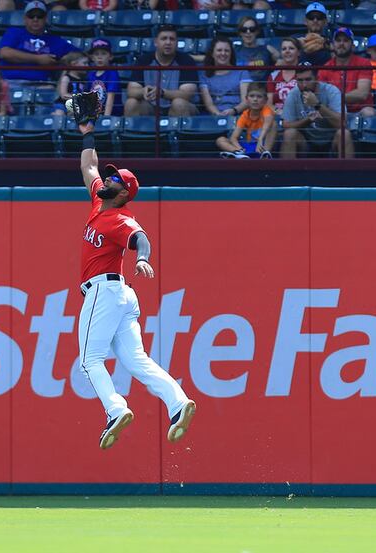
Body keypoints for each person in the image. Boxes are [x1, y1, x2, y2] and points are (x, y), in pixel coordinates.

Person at [74, 117, 197, 450]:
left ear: (125, 192)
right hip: (118, 296)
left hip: (104, 291)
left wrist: (143, 257)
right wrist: (87, 133)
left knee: (89, 360)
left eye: (114, 178)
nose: (107, 178)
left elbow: (139, 236)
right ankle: (178, 402)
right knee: (136, 360)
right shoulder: (100, 202)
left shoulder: (119, 217)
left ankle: (115, 410)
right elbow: (89, 166)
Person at [281, 62, 353, 159]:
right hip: (306, 143)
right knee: (289, 134)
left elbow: (342, 123)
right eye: (300, 80)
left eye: (308, 79)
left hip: (331, 142)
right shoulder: (294, 94)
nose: (304, 84)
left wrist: (317, 105)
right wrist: (307, 120)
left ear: (317, 78)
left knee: (345, 134)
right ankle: (287, 174)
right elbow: (286, 124)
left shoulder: (331, 91)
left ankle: (347, 173)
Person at [0, 1, 79, 85]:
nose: (35, 19)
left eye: (40, 16)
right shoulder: (14, 32)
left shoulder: (55, 40)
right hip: (12, 82)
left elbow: (79, 54)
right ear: (25, 18)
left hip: (42, 84)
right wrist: (38, 59)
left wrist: (64, 60)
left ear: (45, 18)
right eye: (31, 16)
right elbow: (5, 53)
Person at [124, 25, 198, 117]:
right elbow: (131, 91)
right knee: (131, 103)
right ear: (156, 42)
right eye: (163, 39)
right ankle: (135, 132)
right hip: (151, 106)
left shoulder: (186, 60)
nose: (168, 42)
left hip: (176, 106)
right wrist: (143, 91)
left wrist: (162, 93)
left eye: (172, 39)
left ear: (177, 43)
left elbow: (187, 94)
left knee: (179, 103)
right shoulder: (144, 60)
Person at [318, 27, 376, 118]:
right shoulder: (325, 68)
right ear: (333, 45)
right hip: (335, 112)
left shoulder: (363, 63)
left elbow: (362, 94)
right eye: (338, 40)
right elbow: (322, 96)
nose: (341, 43)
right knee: (318, 114)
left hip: (359, 111)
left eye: (345, 40)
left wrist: (335, 98)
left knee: (369, 112)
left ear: (352, 45)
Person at [217, 81, 275, 159]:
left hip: (262, 146)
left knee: (273, 124)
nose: (255, 99)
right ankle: (238, 154)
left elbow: (269, 121)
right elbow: (234, 137)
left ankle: (265, 155)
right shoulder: (245, 115)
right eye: (252, 96)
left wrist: (260, 139)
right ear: (246, 99)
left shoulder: (266, 110)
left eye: (259, 96)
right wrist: (239, 149)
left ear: (265, 100)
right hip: (247, 147)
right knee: (220, 140)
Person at [200, 37, 251, 116]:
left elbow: (246, 101)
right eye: (219, 50)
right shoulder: (204, 74)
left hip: (239, 114)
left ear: (231, 53)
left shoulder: (242, 72)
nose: (223, 53)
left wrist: (234, 110)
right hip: (214, 116)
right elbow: (209, 104)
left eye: (226, 51)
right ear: (212, 53)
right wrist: (218, 114)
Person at [234, 16, 278, 84]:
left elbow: (284, 62)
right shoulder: (234, 50)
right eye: (244, 29)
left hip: (262, 89)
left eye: (252, 29)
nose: (248, 32)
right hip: (238, 88)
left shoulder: (268, 49)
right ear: (240, 32)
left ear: (257, 31)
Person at [86, 38, 121, 117]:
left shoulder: (112, 73)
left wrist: (106, 117)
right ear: (92, 57)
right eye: (96, 54)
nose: (100, 57)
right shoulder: (91, 74)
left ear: (110, 57)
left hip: (112, 114)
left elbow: (110, 96)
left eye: (103, 53)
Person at [266, 37, 300, 116]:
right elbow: (268, 103)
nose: (287, 51)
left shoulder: (304, 74)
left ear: (298, 52)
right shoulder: (273, 76)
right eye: (284, 49)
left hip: (298, 116)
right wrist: (279, 112)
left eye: (291, 48)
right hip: (277, 115)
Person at [53, 51, 89, 116]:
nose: (87, 66)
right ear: (74, 64)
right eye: (85, 63)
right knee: (59, 114)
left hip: (76, 105)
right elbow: (63, 95)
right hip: (63, 104)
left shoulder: (83, 80)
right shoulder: (66, 78)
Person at [298, 2, 332, 68]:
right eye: (311, 17)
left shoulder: (332, 42)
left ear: (325, 21)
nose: (315, 20)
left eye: (319, 17)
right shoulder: (296, 39)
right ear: (305, 21)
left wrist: (326, 45)